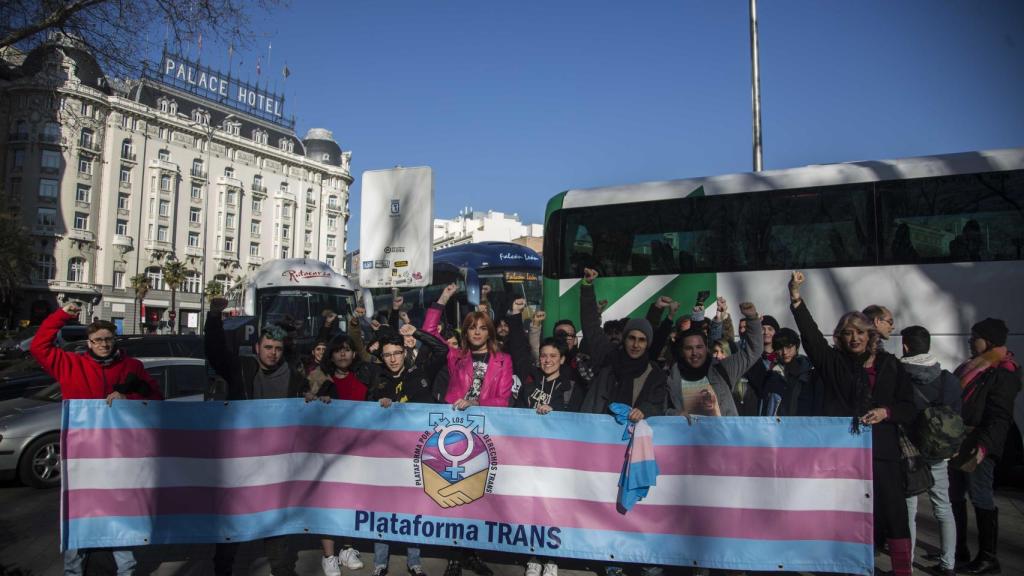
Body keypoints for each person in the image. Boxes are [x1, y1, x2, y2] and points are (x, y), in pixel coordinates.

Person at [788, 271, 916, 576]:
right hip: (842, 456)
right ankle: (849, 567)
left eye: (860, 332)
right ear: (840, 337)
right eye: (848, 333)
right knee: (846, 517)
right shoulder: (832, 362)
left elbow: (910, 407)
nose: (855, 337)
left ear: (871, 335)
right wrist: (795, 299)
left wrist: (886, 412)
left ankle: (902, 569)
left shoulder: (890, 365)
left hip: (882, 454)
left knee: (894, 514)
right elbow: (810, 334)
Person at [30, 301, 162, 576]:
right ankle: (73, 571)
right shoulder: (70, 365)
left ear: (115, 340)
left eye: (108, 339)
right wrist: (63, 316)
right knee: (78, 514)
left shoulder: (132, 367)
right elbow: (39, 347)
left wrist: (130, 397)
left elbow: (155, 398)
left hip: (119, 454)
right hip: (82, 454)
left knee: (119, 511)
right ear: (89, 342)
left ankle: (126, 569)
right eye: (98, 340)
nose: (103, 344)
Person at [204, 297, 308, 576]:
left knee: (277, 524)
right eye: (268, 348)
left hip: (277, 464)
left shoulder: (296, 380)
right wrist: (214, 317)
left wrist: (316, 399)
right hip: (242, 462)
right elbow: (214, 352)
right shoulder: (241, 369)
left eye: (277, 349)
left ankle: (282, 569)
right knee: (233, 521)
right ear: (257, 348)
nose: (273, 353)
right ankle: (223, 569)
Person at [424, 283, 510, 576]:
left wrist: (477, 401)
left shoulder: (503, 360)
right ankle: (454, 558)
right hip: (455, 435)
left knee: (477, 496)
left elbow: (504, 399)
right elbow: (429, 333)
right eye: (471, 327)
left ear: (489, 332)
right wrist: (444, 299)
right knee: (454, 494)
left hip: (485, 435)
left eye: (482, 328)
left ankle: (471, 554)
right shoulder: (455, 356)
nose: (476, 332)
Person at [369, 327, 448, 576]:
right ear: (382, 357)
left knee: (413, 507)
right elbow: (363, 415)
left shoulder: (420, 372)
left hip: (418, 454)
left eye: (397, 353)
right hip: (387, 457)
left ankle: (414, 562)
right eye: (388, 354)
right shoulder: (377, 379)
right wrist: (375, 404)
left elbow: (442, 349)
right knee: (384, 507)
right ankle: (380, 563)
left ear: (405, 352)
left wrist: (417, 332)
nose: (393, 359)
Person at [950, 318, 1020, 575]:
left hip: (981, 443)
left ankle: (988, 558)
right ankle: (957, 548)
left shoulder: (1004, 372)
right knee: (954, 494)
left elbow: (1000, 418)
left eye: (975, 336)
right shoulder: (973, 367)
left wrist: (983, 449)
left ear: (988, 341)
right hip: (960, 439)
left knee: (981, 497)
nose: (970, 340)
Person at [899, 325, 961, 576]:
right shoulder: (947, 379)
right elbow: (957, 416)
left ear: (905, 346)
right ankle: (948, 564)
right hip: (938, 452)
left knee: (909, 511)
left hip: (909, 453)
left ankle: (906, 566)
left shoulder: (899, 376)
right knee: (943, 508)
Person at [578, 268, 667, 423]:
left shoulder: (654, 373)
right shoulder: (608, 356)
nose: (636, 345)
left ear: (647, 344)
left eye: (642, 340)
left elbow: (659, 406)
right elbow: (590, 325)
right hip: (598, 435)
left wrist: (644, 410)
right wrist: (587, 287)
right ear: (624, 339)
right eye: (631, 338)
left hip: (634, 439)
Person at [666, 300, 763, 417]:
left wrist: (752, 318)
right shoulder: (673, 377)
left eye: (699, 347)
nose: (695, 352)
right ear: (682, 351)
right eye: (689, 348)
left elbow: (753, 351)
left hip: (724, 434)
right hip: (688, 435)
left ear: (706, 349)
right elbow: (663, 410)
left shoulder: (723, 369)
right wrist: (675, 415)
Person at [771, 327, 817, 416]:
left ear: (796, 347)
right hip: (773, 426)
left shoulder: (808, 372)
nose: (784, 352)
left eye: (789, 347)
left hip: (800, 426)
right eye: (780, 348)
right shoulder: (772, 373)